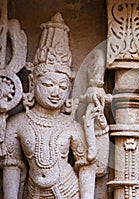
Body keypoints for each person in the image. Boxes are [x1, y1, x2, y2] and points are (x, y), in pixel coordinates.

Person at [2, 13, 95, 199]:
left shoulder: (71, 126)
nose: (56, 92)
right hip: (34, 193)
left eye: (62, 87)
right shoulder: (17, 123)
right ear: (32, 82)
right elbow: (12, 165)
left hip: (67, 191)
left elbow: (86, 166)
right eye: (48, 84)